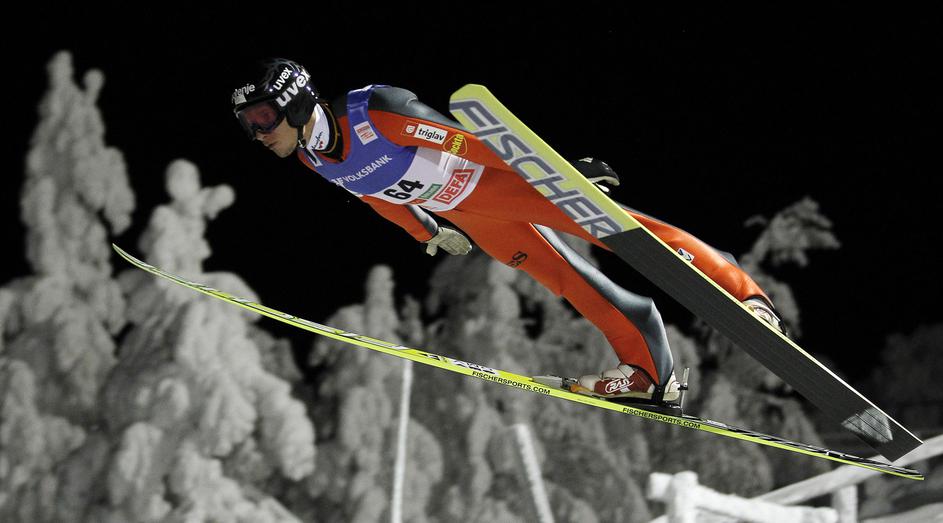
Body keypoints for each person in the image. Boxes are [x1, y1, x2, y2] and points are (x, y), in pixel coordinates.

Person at [231, 58, 786, 407]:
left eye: (261, 118)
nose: (257, 134)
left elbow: (469, 141)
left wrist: (558, 171)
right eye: (247, 126)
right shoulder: (313, 159)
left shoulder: (376, 111)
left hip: (497, 183)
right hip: (470, 216)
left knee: (624, 232)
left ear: (297, 102)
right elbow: (373, 193)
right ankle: (647, 371)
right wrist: (424, 231)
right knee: (564, 279)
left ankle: (743, 293)